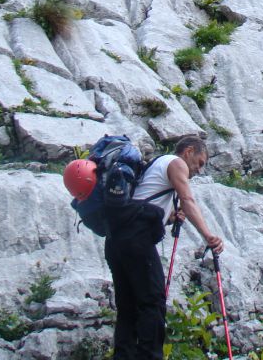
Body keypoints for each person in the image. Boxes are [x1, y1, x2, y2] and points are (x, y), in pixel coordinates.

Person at [104, 135, 224, 360]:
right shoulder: (176, 163)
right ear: (188, 151)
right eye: (200, 162)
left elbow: (145, 201)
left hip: (116, 239)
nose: (199, 170)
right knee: (153, 302)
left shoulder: (157, 164)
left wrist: (169, 218)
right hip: (137, 239)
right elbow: (188, 200)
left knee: (127, 307)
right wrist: (208, 235)